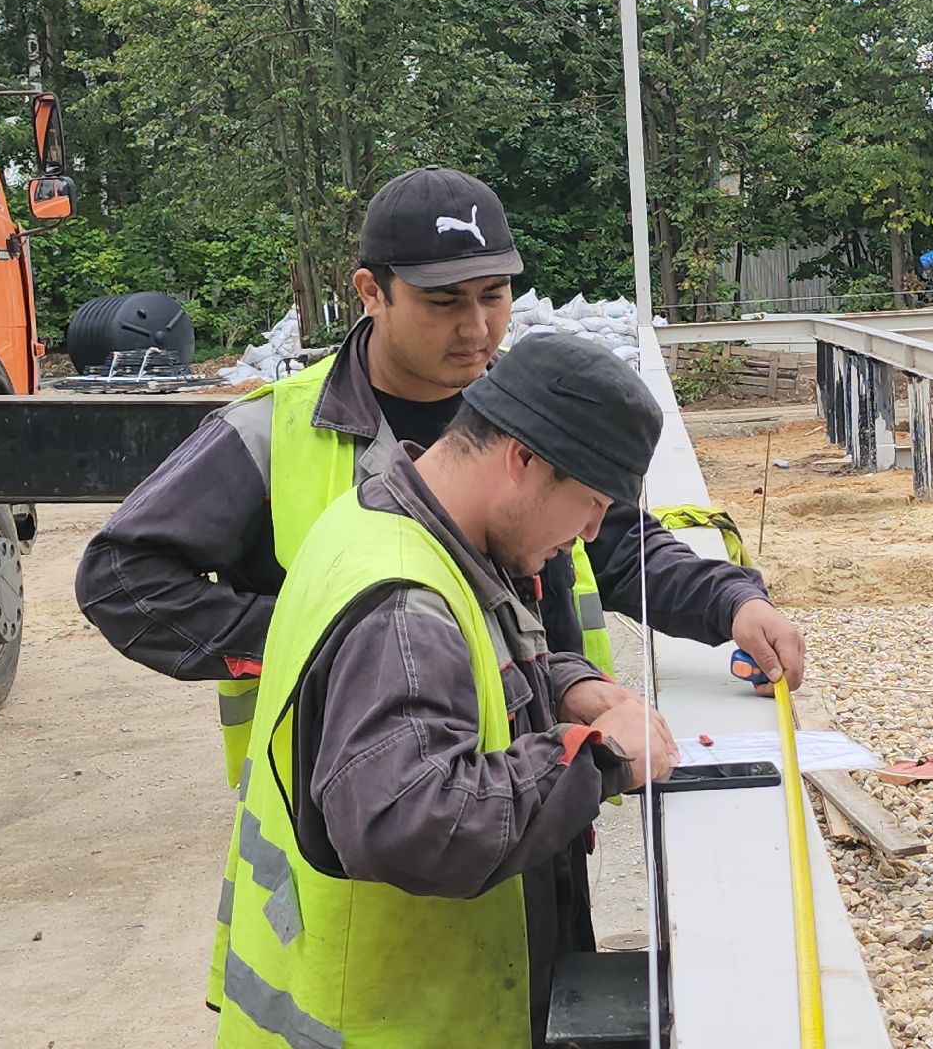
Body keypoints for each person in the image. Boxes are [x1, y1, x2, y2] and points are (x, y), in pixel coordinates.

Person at [75, 165, 802, 795]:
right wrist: (316, 642)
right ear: (371, 291)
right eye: (444, 301)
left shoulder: (524, 410)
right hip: (361, 802)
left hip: (536, 784)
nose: (477, 328)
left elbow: (613, 541)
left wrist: (729, 601)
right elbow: (121, 580)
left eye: (493, 294)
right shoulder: (274, 434)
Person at [217, 332, 677, 1048]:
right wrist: (597, 757)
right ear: (521, 459)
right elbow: (416, 822)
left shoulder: (385, 517)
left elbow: (473, 666)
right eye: (590, 501)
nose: (591, 532)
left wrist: (568, 685)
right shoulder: (405, 604)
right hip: (398, 1024)